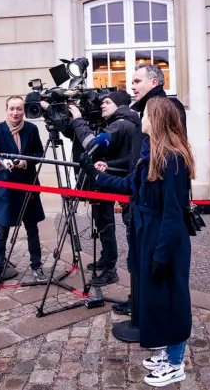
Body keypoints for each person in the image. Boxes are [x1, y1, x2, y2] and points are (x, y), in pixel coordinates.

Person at [80, 97, 194, 387]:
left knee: (172, 301)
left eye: (145, 115)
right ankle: (168, 352)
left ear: (156, 120)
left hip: (165, 241)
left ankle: (176, 363)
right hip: (148, 235)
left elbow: (172, 214)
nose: (140, 118)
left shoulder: (173, 159)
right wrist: (95, 174)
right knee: (156, 300)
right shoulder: (151, 153)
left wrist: (161, 255)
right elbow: (129, 185)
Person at [113, 63, 187, 316]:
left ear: (154, 82)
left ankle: (146, 308)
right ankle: (138, 301)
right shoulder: (143, 112)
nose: (131, 86)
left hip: (153, 202)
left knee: (152, 258)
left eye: (137, 81)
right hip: (139, 195)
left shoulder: (166, 108)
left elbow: (164, 156)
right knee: (137, 254)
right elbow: (138, 158)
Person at [68, 90, 139, 287]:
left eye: (107, 102)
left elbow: (91, 145)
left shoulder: (119, 125)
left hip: (117, 183)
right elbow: (129, 157)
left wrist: (79, 120)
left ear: (119, 105)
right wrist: (109, 164)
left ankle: (110, 270)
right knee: (107, 221)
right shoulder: (131, 123)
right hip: (117, 179)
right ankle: (107, 260)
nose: (102, 105)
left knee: (109, 223)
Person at [0, 95, 47, 291]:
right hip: (7, 188)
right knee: (1, 232)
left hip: (28, 187)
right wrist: (4, 162)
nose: (15, 112)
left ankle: (37, 266)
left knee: (32, 230)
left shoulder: (32, 129)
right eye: (12, 108)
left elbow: (39, 153)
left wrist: (25, 162)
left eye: (19, 109)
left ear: (24, 111)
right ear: (6, 110)